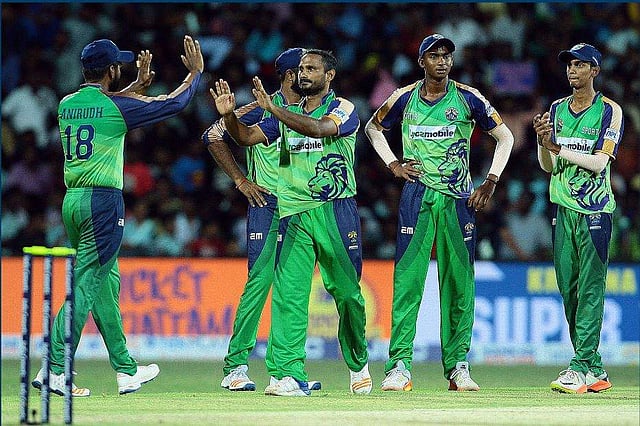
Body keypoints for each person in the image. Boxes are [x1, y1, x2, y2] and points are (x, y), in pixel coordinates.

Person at [32, 36, 203, 396]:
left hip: (73, 202)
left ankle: (126, 370)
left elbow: (106, 108)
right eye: (118, 66)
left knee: (104, 287)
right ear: (111, 70)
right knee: (86, 285)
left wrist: (134, 87)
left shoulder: (67, 104)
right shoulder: (116, 107)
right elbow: (174, 103)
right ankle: (55, 368)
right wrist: (194, 75)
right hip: (103, 202)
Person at [210, 49, 371, 396]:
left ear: (329, 76)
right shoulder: (283, 114)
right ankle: (287, 373)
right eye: (300, 69)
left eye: (311, 69)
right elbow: (245, 138)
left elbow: (319, 129)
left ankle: (358, 363)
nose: (303, 74)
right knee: (289, 296)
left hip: (335, 211)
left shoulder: (343, 108)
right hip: (293, 213)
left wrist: (273, 109)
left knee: (347, 295)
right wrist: (230, 117)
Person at [364, 34, 514, 392]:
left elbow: (505, 137)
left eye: (447, 55)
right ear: (422, 62)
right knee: (408, 283)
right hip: (416, 197)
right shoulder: (403, 98)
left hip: (458, 199)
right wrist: (393, 164)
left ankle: (458, 366)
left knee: (459, 283)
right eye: (434, 56)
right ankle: (399, 366)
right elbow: (372, 128)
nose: (442, 61)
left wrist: (491, 181)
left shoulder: (468, 98)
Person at [203, 48, 324, 392]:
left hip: (299, 207)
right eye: (303, 70)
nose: (308, 75)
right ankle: (235, 367)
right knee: (259, 283)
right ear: (289, 76)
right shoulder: (259, 107)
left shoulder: (310, 112)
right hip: (267, 205)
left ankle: (284, 371)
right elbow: (213, 135)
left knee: (292, 289)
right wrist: (241, 180)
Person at [533, 43, 623, 394]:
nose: (572, 70)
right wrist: (543, 143)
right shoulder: (556, 109)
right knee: (569, 291)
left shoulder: (609, 111)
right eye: (569, 64)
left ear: (594, 71)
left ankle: (580, 366)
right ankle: (595, 368)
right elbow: (548, 166)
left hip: (595, 211)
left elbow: (599, 163)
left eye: (580, 65)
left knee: (589, 289)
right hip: (563, 210)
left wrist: (558, 147)